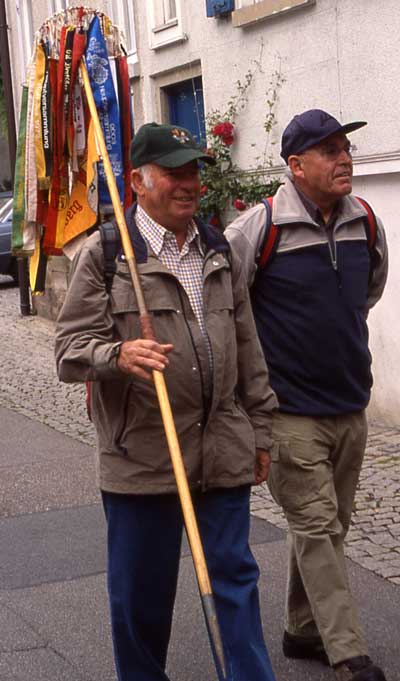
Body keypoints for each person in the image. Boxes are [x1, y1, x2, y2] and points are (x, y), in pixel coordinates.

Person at [55, 122, 278, 681]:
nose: (189, 184)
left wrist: (260, 432)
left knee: (234, 586)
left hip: (222, 448)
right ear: (137, 180)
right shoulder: (107, 253)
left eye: (194, 171)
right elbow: (68, 351)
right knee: (140, 603)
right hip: (144, 458)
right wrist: (118, 355)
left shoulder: (218, 246)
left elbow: (248, 345)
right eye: (175, 172)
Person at [225, 109, 388, 681]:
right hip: (289, 414)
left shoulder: (365, 220)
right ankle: (348, 653)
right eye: (329, 150)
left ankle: (301, 630)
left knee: (330, 526)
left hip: (349, 405)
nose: (345, 158)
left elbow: (367, 293)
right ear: (296, 166)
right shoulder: (258, 228)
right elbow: (229, 311)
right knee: (318, 526)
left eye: (345, 147)